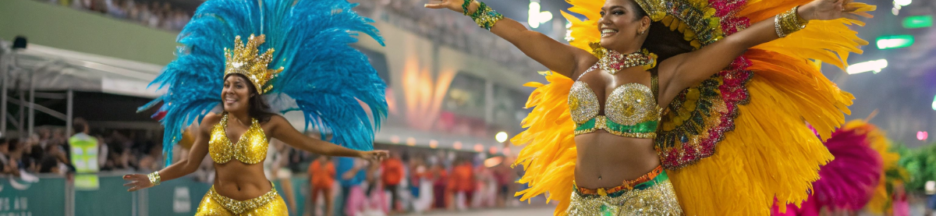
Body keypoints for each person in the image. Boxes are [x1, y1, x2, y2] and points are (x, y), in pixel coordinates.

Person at [424, 0, 873, 214]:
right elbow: (525, 36)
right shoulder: (581, 65)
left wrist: (805, 14)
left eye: (617, 12)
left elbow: (740, 41)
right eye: (602, 12)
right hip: (586, 203)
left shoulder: (666, 74)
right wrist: (470, 7)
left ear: (642, 26)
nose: (604, 18)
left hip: (644, 201)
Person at [121, 0, 390, 215]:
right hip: (218, 207)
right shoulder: (210, 124)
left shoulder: (270, 124)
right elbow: (189, 164)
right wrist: (153, 178)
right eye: (227, 85)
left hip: (262, 208)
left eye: (238, 85)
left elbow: (315, 146)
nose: (229, 91)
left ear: (252, 93)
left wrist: (359, 154)